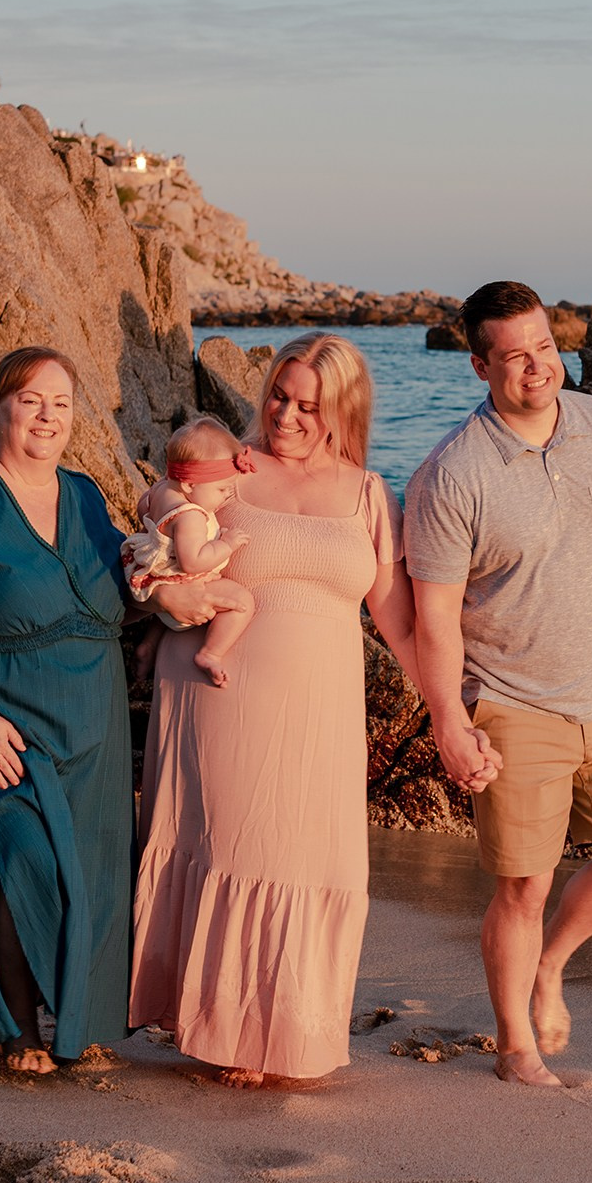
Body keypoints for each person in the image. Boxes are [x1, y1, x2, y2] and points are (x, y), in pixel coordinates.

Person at [0, 346, 214, 1074]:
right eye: (30, 400)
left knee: (87, 870)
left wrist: (169, 593)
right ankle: (14, 1030)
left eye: (60, 403)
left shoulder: (86, 494)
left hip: (88, 721)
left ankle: (75, 1022)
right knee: (18, 860)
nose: (46, 416)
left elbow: (124, 582)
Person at [405, 281, 592, 1088]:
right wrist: (448, 722)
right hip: (511, 703)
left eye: (544, 347)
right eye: (514, 356)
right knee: (524, 886)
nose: (537, 367)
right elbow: (433, 619)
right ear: (478, 365)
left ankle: (550, 967)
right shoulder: (451, 474)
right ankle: (515, 1048)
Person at [130, 332, 422, 1087]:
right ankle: (226, 1030)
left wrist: (451, 710)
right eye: (279, 396)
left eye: (308, 405)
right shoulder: (232, 469)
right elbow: (154, 532)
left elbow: (396, 622)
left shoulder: (369, 492)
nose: (287, 415)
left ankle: (285, 1028)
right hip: (220, 693)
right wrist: (165, 592)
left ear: (342, 410)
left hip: (322, 707)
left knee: (310, 856)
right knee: (237, 847)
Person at [125, 415, 258, 687]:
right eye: (222, 489)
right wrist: (226, 544)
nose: (226, 496)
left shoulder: (161, 488)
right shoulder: (190, 517)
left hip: (154, 582)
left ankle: (147, 645)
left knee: (162, 609)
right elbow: (191, 562)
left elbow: (143, 508)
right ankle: (211, 653)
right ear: (188, 485)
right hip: (179, 588)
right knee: (243, 602)